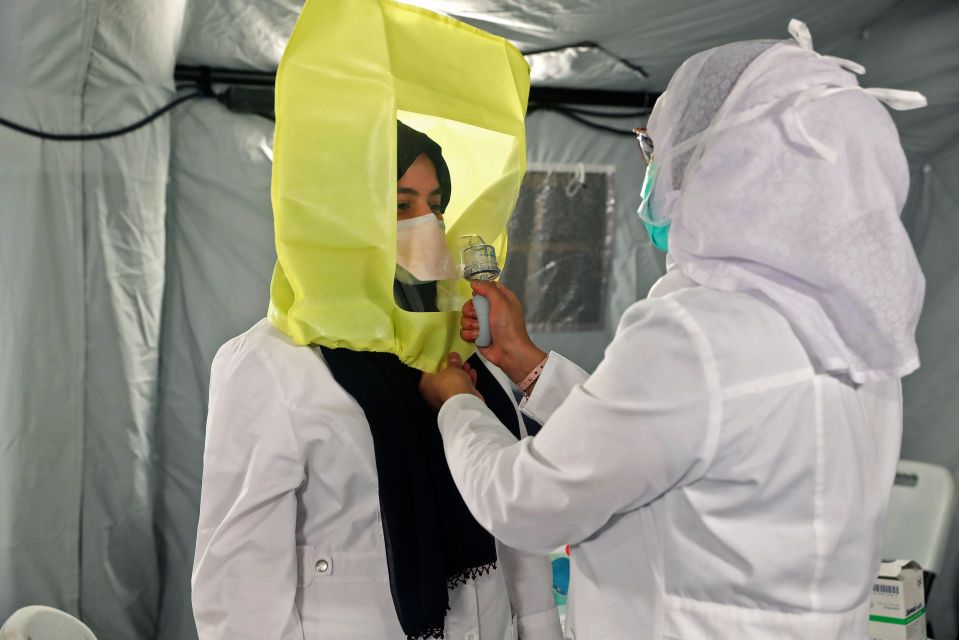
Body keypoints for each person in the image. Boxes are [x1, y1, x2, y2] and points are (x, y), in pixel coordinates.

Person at [419, 21, 927, 640]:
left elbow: (525, 503)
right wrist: (529, 364)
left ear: (727, 164)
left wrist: (457, 405)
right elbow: (683, 435)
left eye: (655, 150)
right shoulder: (855, 328)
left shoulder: (699, 330)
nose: (654, 173)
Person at [192, 122, 563, 640]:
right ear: (340, 217)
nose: (427, 227)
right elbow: (238, 590)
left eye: (435, 206)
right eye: (399, 206)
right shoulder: (271, 364)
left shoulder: (458, 347)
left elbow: (513, 527)